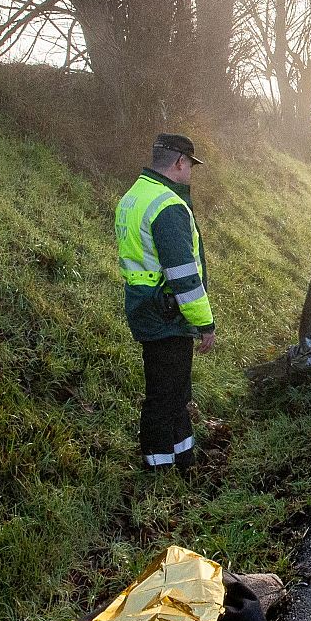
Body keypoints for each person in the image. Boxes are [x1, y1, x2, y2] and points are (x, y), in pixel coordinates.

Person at [115, 133, 217, 470]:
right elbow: (184, 276)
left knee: (169, 390)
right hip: (167, 313)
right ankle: (160, 467)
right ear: (179, 162)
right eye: (190, 166)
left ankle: (182, 459)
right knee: (167, 394)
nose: (190, 173)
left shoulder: (134, 196)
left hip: (145, 306)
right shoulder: (167, 205)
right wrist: (204, 323)